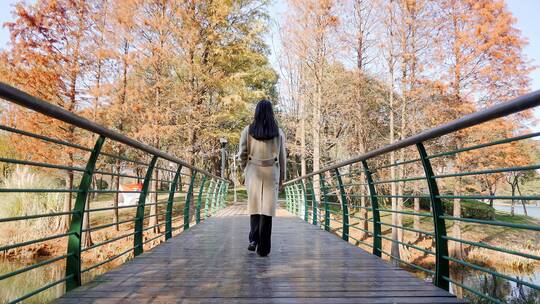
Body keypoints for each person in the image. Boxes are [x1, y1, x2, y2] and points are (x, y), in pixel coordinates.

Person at [238, 99, 286, 257]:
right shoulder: (278, 132)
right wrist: (282, 178)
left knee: (254, 207)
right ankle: (264, 248)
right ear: (271, 112)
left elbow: (242, 155)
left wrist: (244, 169)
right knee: (267, 210)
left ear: (256, 112)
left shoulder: (248, 130)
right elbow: (282, 157)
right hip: (271, 171)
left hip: (253, 172)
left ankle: (253, 240)